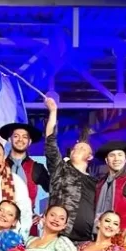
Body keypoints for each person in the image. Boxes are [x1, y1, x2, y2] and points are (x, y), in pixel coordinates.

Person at [43, 97, 99, 242]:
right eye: (75, 148)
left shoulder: (96, 181)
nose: (76, 149)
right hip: (60, 237)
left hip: (87, 240)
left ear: (90, 156)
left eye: (82, 148)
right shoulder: (61, 169)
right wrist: (53, 111)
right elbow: (50, 142)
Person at [0, 121, 50, 234]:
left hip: (28, 223)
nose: (20, 139)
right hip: (1, 222)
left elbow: (54, 191)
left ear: (29, 141)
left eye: (25, 137)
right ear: (9, 140)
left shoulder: (37, 167)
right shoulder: (0, 166)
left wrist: (45, 214)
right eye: (16, 136)